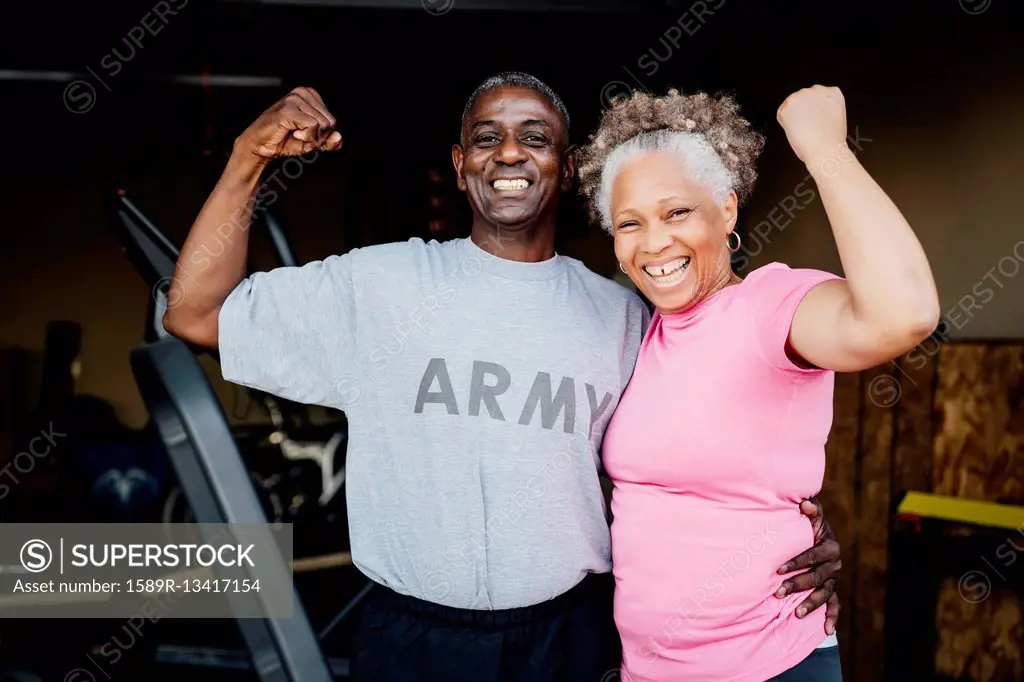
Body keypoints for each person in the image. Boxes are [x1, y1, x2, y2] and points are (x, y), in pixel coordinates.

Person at [163, 72, 843, 682]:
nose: (510, 153)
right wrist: (248, 159)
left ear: (568, 167)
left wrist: (783, 534)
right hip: (411, 640)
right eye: (486, 138)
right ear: (461, 168)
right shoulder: (375, 287)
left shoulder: (628, 315)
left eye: (535, 137)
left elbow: (709, 454)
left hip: (572, 639)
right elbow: (194, 313)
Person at [576, 85, 940, 681]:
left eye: (677, 212)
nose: (654, 242)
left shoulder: (769, 305)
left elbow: (905, 314)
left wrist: (825, 150)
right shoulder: (640, 335)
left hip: (768, 665)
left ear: (727, 209)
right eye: (629, 224)